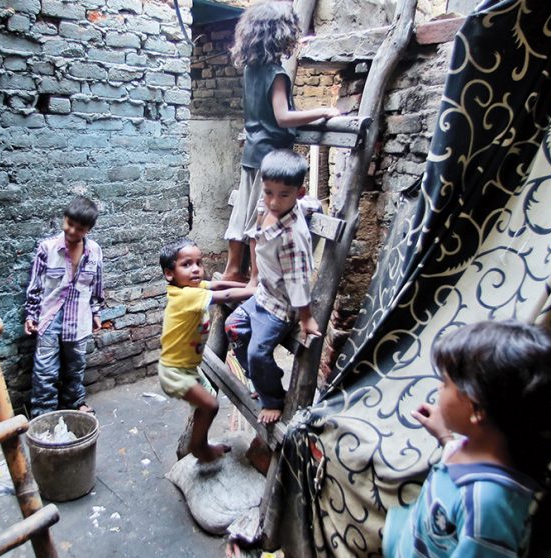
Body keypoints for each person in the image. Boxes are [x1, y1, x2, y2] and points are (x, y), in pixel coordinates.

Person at [382, 320, 551, 557]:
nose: (438, 388)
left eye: (445, 383)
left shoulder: (487, 504)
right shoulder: (471, 448)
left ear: (478, 409)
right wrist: (445, 436)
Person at [221, 0, 340, 283]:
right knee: (261, 217)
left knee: (242, 214)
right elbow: (283, 117)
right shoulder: (276, 73)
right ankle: (254, 280)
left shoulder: (251, 69)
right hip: (270, 157)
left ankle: (233, 269)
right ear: (282, 34)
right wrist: (323, 111)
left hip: (251, 152)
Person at [225, 149, 321, 425]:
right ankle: (259, 377)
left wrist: (305, 318)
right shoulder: (264, 206)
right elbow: (306, 204)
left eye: (284, 195)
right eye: (269, 192)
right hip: (263, 293)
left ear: (298, 193)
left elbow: (299, 283)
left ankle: (273, 398)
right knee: (233, 327)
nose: (274, 201)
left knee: (257, 353)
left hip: (280, 306)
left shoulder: (293, 238)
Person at [158, 238, 255, 462]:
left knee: (207, 401)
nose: (196, 269)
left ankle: (199, 443)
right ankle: (198, 447)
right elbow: (227, 296)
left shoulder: (193, 287)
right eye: (187, 264)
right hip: (175, 371)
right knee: (210, 405)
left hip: (189, 367)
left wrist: (248, 285)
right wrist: (257, 290)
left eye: (199, 263)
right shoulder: (185, 296)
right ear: (169, 274)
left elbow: (220, 285)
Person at [24, 196, 104, 418]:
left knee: (75, 366)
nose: (71, 231)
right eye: (69, 224)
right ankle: (43, 414)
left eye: (79, 229)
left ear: (87, 230)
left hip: (80, 317)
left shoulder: (95, 251)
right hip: (50, 318)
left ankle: (75, 403)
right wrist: (31, 314)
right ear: (64, 219)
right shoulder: (47, 249)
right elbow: (36, 285)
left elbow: (97, 284)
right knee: (45, 370)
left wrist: (96, 311)